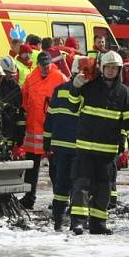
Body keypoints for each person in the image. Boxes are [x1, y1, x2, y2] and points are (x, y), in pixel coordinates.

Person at [69, 51, 129, 235]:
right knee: (81, 185)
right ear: (101, 67)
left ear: (119, 70)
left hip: (108, 152)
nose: (110, 71)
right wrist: (75, 87)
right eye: (107, 67)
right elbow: (73, 105)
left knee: (104, 188)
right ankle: (78, 222)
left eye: (114, 68)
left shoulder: (124, 92)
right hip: (85, 147)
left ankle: (98, 224)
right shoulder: (89, 86)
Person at [19, 51, 68, 209]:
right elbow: (25, 100)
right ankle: (29, 198)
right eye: (42, 65)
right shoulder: (31, 78)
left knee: (56, 168)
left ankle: (60, 199)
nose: (45, 67)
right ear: (38, 64)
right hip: (34, 130)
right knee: (32, 168)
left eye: (47, 64)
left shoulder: (59, 77)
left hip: (52, 131)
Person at [43, 57, 84, 231]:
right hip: (77, 147)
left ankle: (59, 218)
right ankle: (74, 219)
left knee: (62, 185)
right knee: (77, 184)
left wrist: (47, 142)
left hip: (60, 147)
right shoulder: (86, 93)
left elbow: (49, 118)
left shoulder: (59, 90)